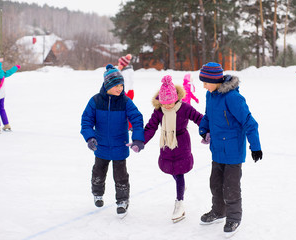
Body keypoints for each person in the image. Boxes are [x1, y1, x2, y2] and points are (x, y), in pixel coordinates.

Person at [198, 62, 262, 237]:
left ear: (214, 80)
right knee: (215, 183)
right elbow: (208, 116)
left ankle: (234, 217)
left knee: (231, 186)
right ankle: (219, 211)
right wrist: (203, 129)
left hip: (233, 151)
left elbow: (250, 122)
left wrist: (255, 147)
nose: (203, 85)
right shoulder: (210, 95)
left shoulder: (233, 97)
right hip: (217, 149)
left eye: (205, 82)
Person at [80, 64, 145, 218]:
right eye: (117, 85)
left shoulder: (125, 101)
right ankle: (97, 194)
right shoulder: (95, 101)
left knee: (121, 175)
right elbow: (86, 120)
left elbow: (137, 118)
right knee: (98, 172)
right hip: (100, 146)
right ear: (108, 85)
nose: (120, 88)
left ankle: (122, 201)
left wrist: (137, 138)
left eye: (122, 85)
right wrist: (90, 137)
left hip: (119, 146)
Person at [143, 75, 203, 223]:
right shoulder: (159, 111)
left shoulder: (184, 108)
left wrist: (207, 131)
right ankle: (180, 186)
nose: (168, 106)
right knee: (172, 170)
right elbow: (151, 127)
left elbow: (199, 118)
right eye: (165, 104)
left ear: (176, 99)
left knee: (179, 171)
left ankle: (179, 202)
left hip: (181, 142)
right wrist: (140, 141)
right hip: (167, 143)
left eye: (170, 103)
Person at [0, 62, 20, 133]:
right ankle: (6, 124)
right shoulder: (2, 72)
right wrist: (16, 67)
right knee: (1, 109)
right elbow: (9, 72)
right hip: (2, 95)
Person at [118, 54, 135, 130]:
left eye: (119, 63)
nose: (118, 64)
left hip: (126, 92)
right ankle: (129, 125)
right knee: (127, 108)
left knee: (124, 109)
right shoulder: (128, 71)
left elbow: (126, 82)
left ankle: (129, 125)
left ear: (123, 64)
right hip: (130, 92)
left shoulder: (125, 72)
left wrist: (123, 93)